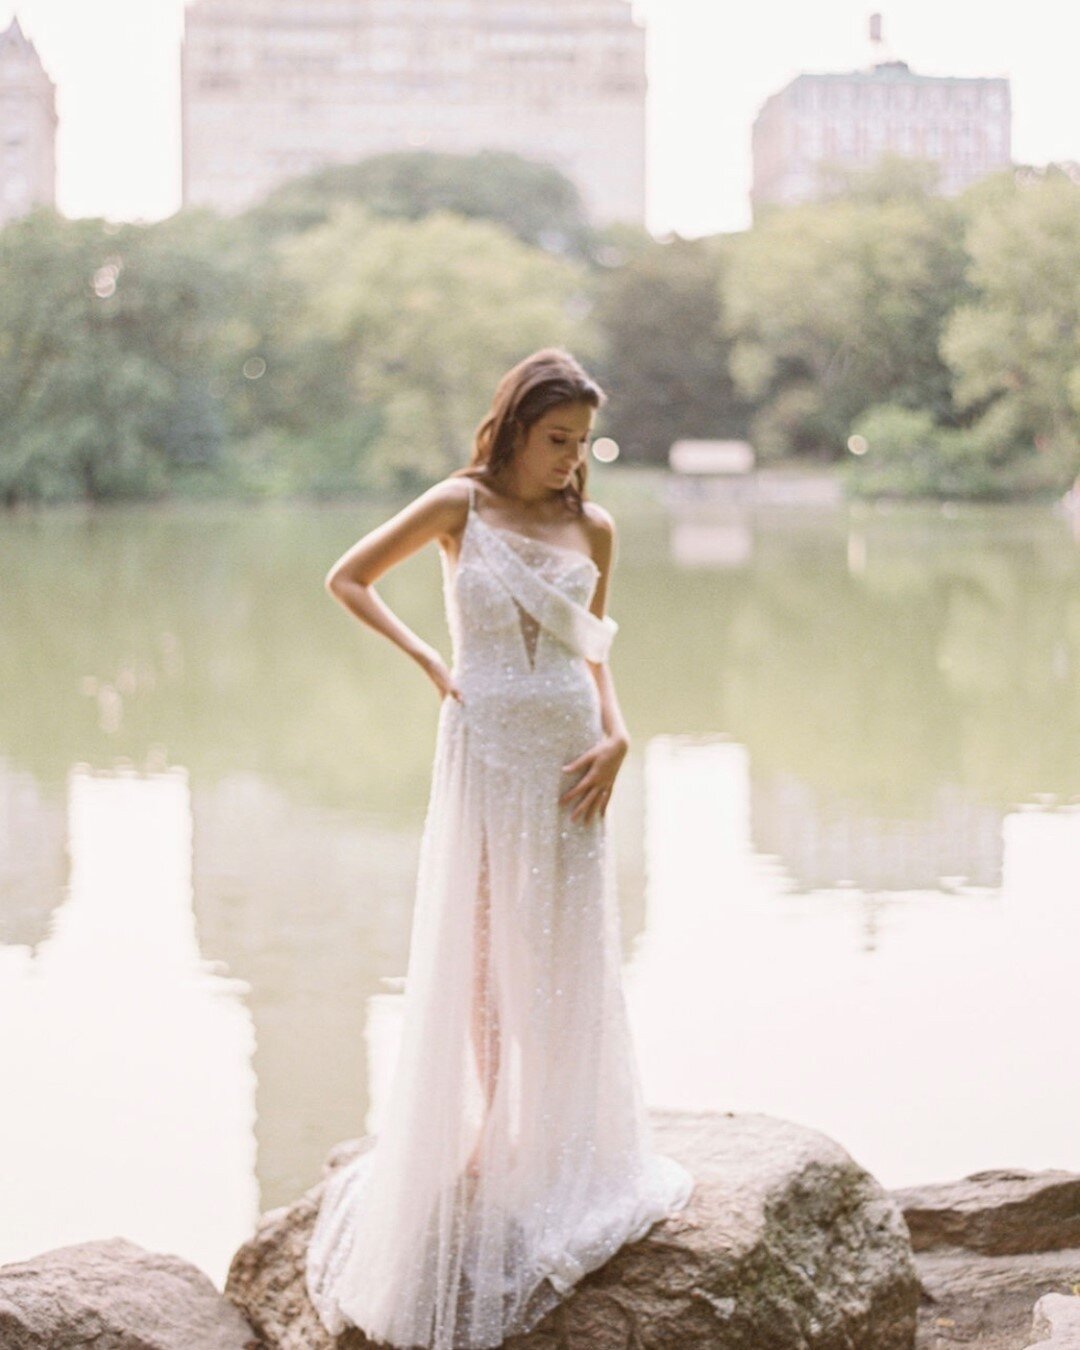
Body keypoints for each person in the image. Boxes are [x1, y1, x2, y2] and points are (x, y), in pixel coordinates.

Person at [305, 347, 693, 1349]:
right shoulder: (457, 508)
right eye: (555, 441)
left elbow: (594, 648)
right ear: (514, 428)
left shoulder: (593, 526)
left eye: (582, 445)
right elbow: (347, 579)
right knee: (480, 941)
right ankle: (485, 1131)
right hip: (484, 744)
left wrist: (620, 732)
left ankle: (555, 1137)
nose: (570, 462)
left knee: (563, 944)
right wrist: (435, 661)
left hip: (570, 751)